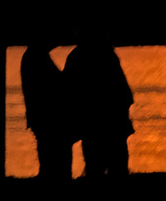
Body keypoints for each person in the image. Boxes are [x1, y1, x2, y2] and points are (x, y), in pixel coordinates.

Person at [66, 41, 134, 176]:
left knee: (97, 167)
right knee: (112, 167)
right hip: (105, 124)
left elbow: (69, 93)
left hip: (94, 125)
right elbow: (125, 94)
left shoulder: (76, 56)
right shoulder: (106, 55)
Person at [23, 43, 74, 180]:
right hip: (48, 120)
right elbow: (57, 85)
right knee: (56, 163)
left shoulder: (34, 56)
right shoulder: (37, 57)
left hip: (42, 118)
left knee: (50, 162)